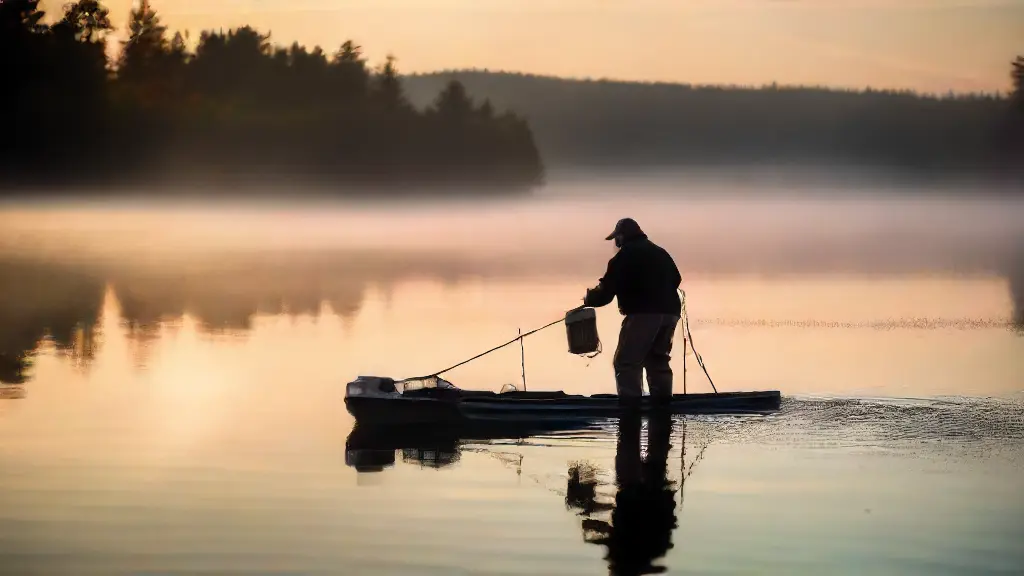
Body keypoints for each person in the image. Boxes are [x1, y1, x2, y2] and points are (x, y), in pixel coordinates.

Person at [582, 217, 682, 403]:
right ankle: (662, 404)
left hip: (643, 314)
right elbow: (676, 279)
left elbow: (606, 292)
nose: (615, 242)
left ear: (622, 236)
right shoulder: (660, 252)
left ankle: (631, 406)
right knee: (657, 360)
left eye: (616, 238)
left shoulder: (623, 257)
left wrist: (590, 299)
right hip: (670, 313)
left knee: (626, 362)